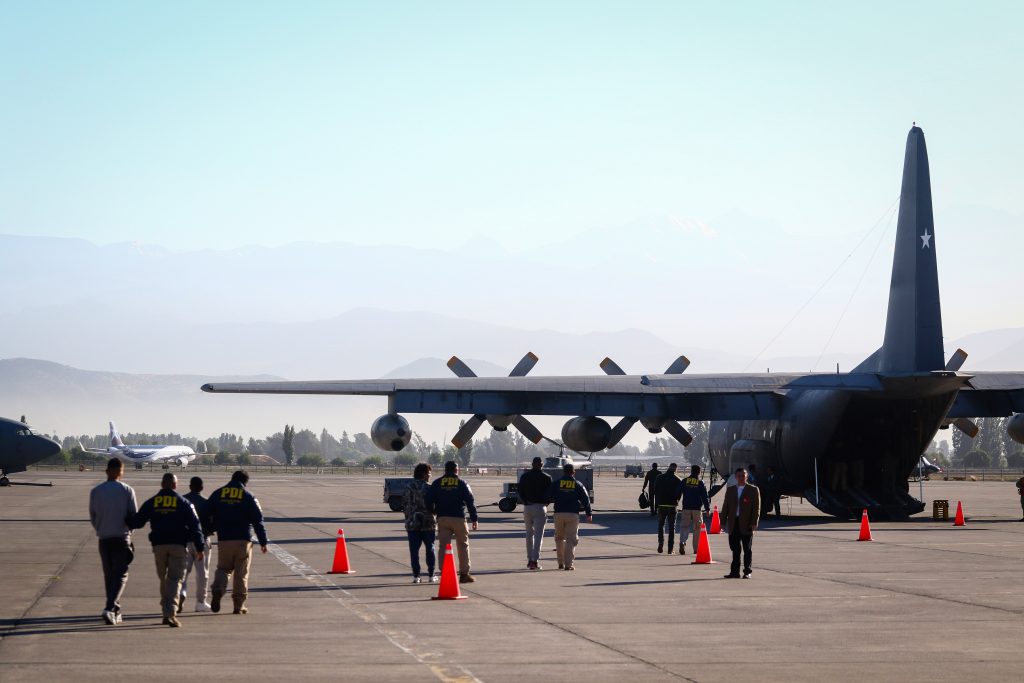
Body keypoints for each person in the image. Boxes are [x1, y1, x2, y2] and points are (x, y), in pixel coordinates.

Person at [129, 473, 205, 627]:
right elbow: (195, 526)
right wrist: (200, 547)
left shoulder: (153, 501)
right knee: (175, 579)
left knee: (164, 579)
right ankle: (170, 613)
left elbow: (137, 521)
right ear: (175, 485)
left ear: (162, 484)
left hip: (158, 546)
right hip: (177, 545)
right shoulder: (184, 502)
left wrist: (124, 520)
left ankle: (166, 609)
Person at [206, 470, 269, 614]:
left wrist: (211, 528)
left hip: (224, 539)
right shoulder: (249, 496)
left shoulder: (218, 493)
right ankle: (238, 605)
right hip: (243, 540)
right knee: (241, 572)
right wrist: (263, 541)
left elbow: (205, 512)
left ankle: (218, 590)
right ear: (245, 482)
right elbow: (258, 520)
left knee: (223, 569)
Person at [89, 457, 137, 625]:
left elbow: (93, 516)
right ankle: (109, 608)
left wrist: (101, 529)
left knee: (109, 576)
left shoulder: (96, 491)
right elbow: (133, 517)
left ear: (107, 471)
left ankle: (115, 610)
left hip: (104, 539)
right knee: (121, 574)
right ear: (120, 471)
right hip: (121, 538)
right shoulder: (127, 490)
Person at [427, 461, 478, 583]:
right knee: (463, 545)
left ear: (445, 470)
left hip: (443, 518)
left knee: (443, 546)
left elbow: (428, 499)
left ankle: (446, 573)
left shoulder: (437, 483)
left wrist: (433, 511)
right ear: (457, 470)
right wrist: (474, 518)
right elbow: (470, 501)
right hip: (459, 518)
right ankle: (464, 574)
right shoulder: (462, 483)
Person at [546, 463, 593, 570]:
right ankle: (568, 564)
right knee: (570, 540)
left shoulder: (557, 483)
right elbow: (586, 500)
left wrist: (552, 500)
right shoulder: (578, 484)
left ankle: (560, 562)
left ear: (563, 472)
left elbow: (547, 495)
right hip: (572, 514)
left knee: (559, 538)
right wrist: (588, 513)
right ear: (573, 472)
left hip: (558, 514)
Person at [179, 476, 213, 612]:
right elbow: (212, 523)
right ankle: (200, 602)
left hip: (184, 541)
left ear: (190, 486)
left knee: (182, 572)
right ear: (202, 488)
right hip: (202, 541)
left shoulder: (182, 501)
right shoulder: (206, 503)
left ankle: (181, 593)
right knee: (202, 573)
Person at [721, 468, 760, 579]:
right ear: (735, 477)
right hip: (734, 523)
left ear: (747, 477)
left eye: (743, 476)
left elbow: (756, 508)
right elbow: (725, 507)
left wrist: (754, 522)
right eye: (739, 476)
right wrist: (722, 521)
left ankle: (747, 571)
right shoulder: (731, 490)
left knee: (747, 549)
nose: (741, 478)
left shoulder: (753, 490)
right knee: (735, 549)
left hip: (747, 523)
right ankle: (734, 572)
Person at [402, 463, 437, 583]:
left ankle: (416, 576)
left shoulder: (408, 487)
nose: (430, 475)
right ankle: (431, 575)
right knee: (430, 549)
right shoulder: (429, 487)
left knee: (414, 551)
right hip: (428, 523)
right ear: (424, 474)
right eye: (429, 473)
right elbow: (434, 506)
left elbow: (404, 505)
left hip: (412, 524)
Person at [518, 456, 552, 570]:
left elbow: (520, 491)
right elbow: (549, 494)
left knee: (529, 534)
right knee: (538, 536)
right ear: (541, 465)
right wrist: (546, 503)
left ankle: (529, 559)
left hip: (527, 507)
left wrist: (525, 501)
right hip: (540, 507)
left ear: (532, 464)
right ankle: (534, 561)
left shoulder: (524, 476)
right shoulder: (547, 478)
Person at [676, 465, 711, 555]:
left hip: (686, 508)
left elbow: (678, 493)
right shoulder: (700, 482)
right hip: (696, 509)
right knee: (697, 528)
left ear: (691, 471)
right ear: (699, 472)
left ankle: (682, 542)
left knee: (684, 526)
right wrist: (707, 509)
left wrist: (676, 502)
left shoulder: (684, 481)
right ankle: (696, 548)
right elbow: (704, 497)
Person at [652, 462, 681, 553]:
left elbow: (655, 490)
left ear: (669, 467)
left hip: (661, 505)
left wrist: (658, 501)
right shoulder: (678, 479)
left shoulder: (659, 477)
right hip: (672, 505)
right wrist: (676, 501)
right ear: (676, 469)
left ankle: (660, 543)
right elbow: (679, 493)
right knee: (672, 527)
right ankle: (670, 548)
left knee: (661, 526)